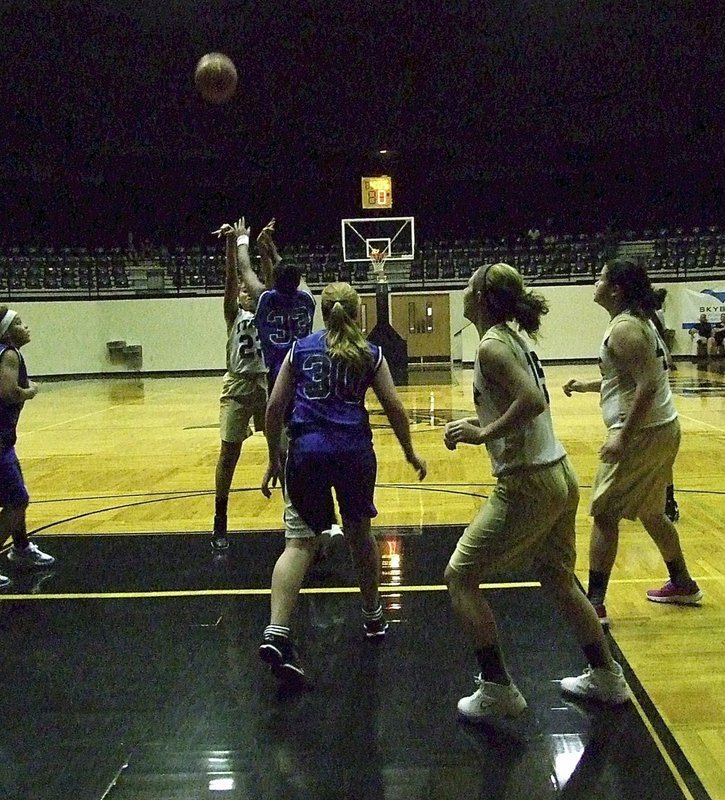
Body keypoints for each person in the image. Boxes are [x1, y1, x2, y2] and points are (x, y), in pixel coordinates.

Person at [443, 263, 629, 722]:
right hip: (559, 473)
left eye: (468, 285)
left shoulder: (490, 346)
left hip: (528, 482)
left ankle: (497, 687)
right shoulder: (513, 336)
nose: (462, 291)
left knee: (460, 577)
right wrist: (484, 425)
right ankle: (607, 676)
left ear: (483, 298)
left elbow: (531, 400)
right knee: (559, 580)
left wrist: (484, 434)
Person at [258, 282, 427, 686]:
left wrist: (272, 457)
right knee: (359, 534)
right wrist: (409, 452)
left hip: (307, 454)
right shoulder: (370, 354)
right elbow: (395, 407)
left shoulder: (299, 350)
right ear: (358, 315)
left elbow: (273, 407)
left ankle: (277, 630)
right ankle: (372, 615)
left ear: (321, 312)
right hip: (353, 454)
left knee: (298, 544)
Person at [563, 258, 702, 627]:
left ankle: (595, 604)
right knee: (652, 512)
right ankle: (683, 583)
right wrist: (588, 385)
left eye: (601, 276)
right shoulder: (640, 323)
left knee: (605, 514)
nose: (595, 281)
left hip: (639, 433)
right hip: (662, 428)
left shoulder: (625, 328)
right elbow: (632, 378)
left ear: (616, 289)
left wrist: (623, 437)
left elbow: (648, 385)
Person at [208, 220, 268, 550]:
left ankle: (298, 515)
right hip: (238, 384)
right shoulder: (234, 314)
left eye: (250, 288)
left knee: (284, 451)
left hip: (267, 384)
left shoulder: (268, 310)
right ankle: (220, 518)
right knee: (229, 452)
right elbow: (232, 279)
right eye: (242, 290)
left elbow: (266, 279)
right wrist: (232, 245)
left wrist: (262, 246)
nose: (245, 291)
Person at [0, 307, 55, 588]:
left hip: (5, 441)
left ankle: (21, 547)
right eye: (19, 323)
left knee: (15, 493)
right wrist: (30, 392)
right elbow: (8, 394)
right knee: (17, 501)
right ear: (8, 332)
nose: (26, 327)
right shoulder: (9, 354)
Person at [650, 288, 679, 522]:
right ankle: (667, 501)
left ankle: (663, 501)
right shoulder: (652, 318)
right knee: (662, 461)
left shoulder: (637, 324)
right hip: (663, 414)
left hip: (650, 418)